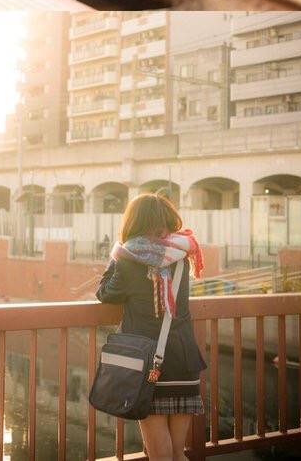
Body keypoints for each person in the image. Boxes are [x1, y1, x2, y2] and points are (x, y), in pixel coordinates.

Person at [96, 193, 206, 461]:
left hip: (148, 366)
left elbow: (105, 293)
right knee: (177, 453)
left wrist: (117, 253)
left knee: (159, 454)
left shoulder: (129, 259)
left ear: (132, 222)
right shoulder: (180, 255)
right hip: (184, 360)